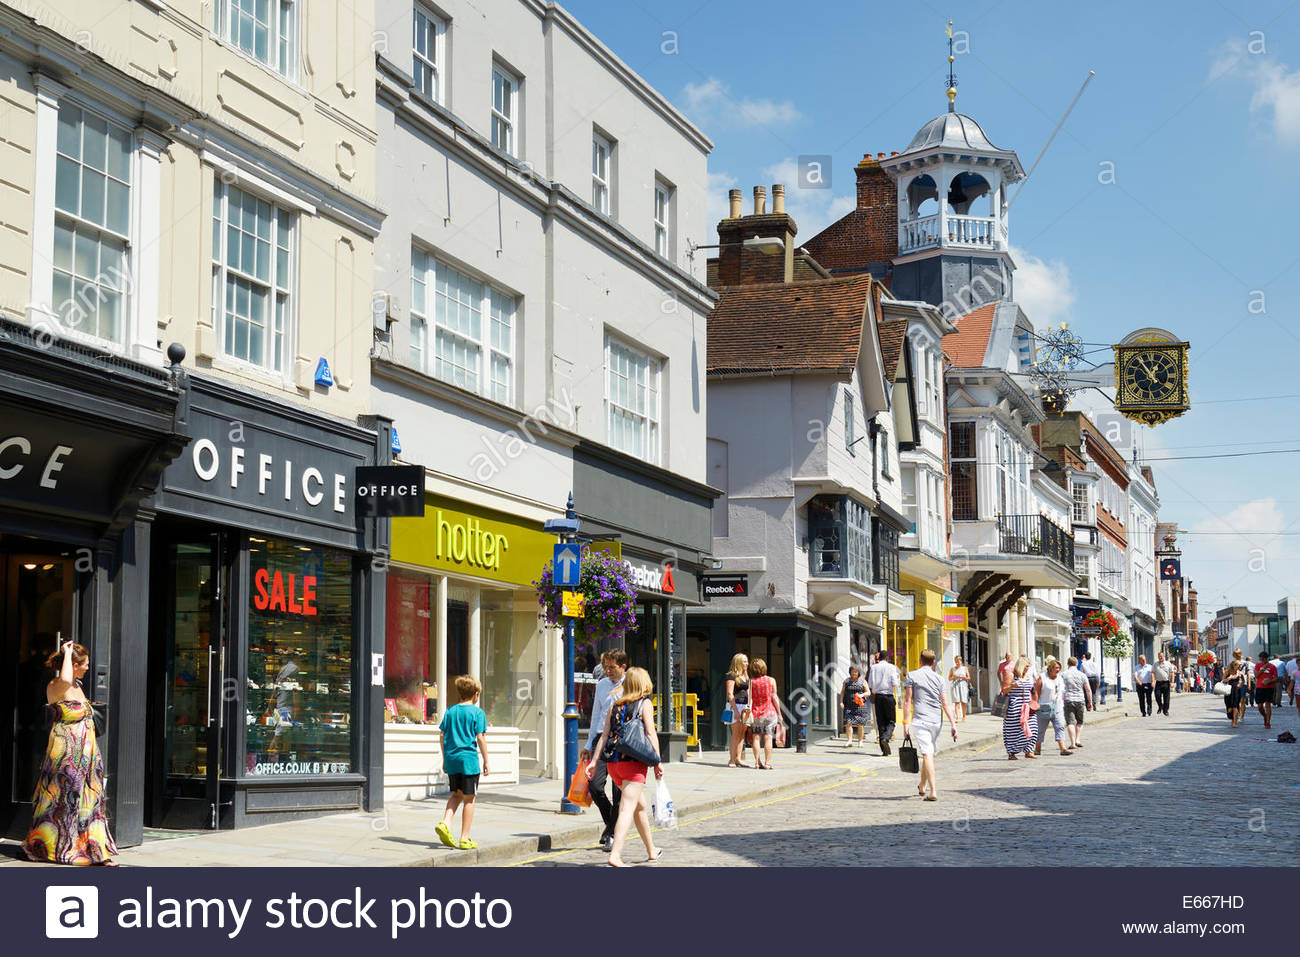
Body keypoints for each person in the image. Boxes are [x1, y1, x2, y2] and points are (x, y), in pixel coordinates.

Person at [24, 641, 117, 864]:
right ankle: (56, 847)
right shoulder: (58, 685)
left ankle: (95, 851)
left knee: (92, 801)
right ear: (73, 665)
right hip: (66, 754)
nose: (87, 668)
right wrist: (66, 652)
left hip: (87, 753)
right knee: (65, 800)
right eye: (84, 664)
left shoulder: (76, 685)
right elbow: (65, 679)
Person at [586, 666, 663, 866]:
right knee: (627, 809)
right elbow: (650, 734)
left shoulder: (616, 705)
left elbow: (603, 736)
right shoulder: (645, 704)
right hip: (633, 764)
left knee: (640, 807)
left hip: (614, 764)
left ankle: (651, 849)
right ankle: (615, 855)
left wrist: (594, 762)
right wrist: (657, 761)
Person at [435, 675, 490, 851]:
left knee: (456, 795)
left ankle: (445, 822)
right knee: (469, 799)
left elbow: (442, 736)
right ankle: (464, 838)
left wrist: (445, 758)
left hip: (452, 759)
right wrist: (487, 760)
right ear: (475, 694)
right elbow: (480, 738)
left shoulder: (450, 711)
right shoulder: (477, 713)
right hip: (468, 761)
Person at [580, 650, 626, 848]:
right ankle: (612, 826)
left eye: (612, 667)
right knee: (595, 786)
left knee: (619, 792)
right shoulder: (601, 685)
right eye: (606, 666)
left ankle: (612, 835)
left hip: (622, 741)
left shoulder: (631, 685)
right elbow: (596, 716)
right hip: (601, 738)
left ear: (623, 666)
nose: (607, 670)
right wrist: (589, 744)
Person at [902, 648, 958, 801]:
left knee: (927, 754)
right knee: (929, 753)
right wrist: (953, 723)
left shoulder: (912, 675)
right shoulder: (939, 679)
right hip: (936, 721)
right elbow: (945, 703)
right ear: (934, 662)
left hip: (920, 720)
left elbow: (908, 701)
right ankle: (922, 785)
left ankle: (933, 791)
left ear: (920, 661)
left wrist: (905, 723)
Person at [1000, 656, 1039, 760]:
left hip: (1028, 706)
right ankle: (1012, 752)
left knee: (1033, 728)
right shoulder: (1011, 675)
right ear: (1020, 666)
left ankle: (1028, 750)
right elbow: (1004, 690)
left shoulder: (1027, 676)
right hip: (1014, 707)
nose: (1027, 669)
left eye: (1028, 667)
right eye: (1026, 666)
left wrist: (1035, 701)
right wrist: (1013, 686)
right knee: (1014, 731)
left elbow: (1032, 690)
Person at [1033, 657, 1073, 756]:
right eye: (1056, 667)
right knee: (1040, 729)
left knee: (1060, 726)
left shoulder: (1060, 678)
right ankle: (1037, 749)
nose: (1058, 669)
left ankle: (1062, 748)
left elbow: (1061, 692)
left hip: (1057, 707)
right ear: (1050, 668)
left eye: (1059, 668)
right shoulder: (1042, 678)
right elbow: (1036, 692)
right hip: (1043, 707)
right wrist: (1035, 704)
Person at [748, 658, 780, 769]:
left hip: (756, 713)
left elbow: (750, 699)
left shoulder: (751, 682)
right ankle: (767, 763)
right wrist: (779, 713)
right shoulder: (771, 680)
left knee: (756, 738)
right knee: (768, 738)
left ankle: (757, 763)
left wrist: (748, 711)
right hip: (770, 713)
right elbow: (774, 697)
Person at [722, 652, 752, 768]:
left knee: (741, 734)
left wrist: (749, 706)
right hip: (735, 706)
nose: (747, 663)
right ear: (738, 662)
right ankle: (731, 759)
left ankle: (738, 758)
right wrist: (736, 711)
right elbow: (730, 694)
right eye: (744, 661)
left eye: (747, 661)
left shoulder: (746, 676)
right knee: (735, 734)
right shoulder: (731, 675)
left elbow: (749, 694)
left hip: (745, 707)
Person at [868, 650, 901, 756]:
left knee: (881, 722)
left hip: (877, 697)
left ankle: (884, 750)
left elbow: (870, 684)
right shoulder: (891, 667)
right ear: (887, 658)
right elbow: (895, 683)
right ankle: (886, 739)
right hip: (888, 696)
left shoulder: (873, 667)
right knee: (891, 721)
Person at [1060, 656, 1092, 750]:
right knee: (1080, 721)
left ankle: (1073, 743)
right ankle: (1078, 740)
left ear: (1067, 664)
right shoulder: (1082, 675)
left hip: (1068, 699)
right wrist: (1090, 702)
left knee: (1070, 722)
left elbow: (1060, 689)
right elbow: (1088, 690)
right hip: (1080, 700)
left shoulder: (1063, 674)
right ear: (1077, 664)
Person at [841, 665, 871, 747]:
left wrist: (861, 695)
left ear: (858, 673)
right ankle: (849, 741)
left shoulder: (863, 681)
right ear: (850, 672)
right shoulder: (846, 681)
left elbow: (868, 692)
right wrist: (841, 702)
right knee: (848, 723)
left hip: (860, 706)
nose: (854, 673)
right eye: (852, 671)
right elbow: (842, 692)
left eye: (856, 671)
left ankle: (860, 741)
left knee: (860, 724)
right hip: (849, 705)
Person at [1253, 652, 1278, 730]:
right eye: (1260, 659)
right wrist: (1263, 668)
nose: (1261, 660)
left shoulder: (1273, 666)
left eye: (1263, 659)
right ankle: (1265, 716)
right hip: (1260, 687)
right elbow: (1256, 676)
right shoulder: (1258, 665)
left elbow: (1276, 678)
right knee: (1260, 706)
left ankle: (1268, 722)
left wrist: (1270, 681)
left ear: (1266, 658)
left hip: (1269, 687)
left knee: (1268, 705)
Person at [948, 655, 971, 724]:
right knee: (956, 702)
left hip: (963, 685)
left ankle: (964, 716)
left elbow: (968, 677)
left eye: (959, 661)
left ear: (961, 661)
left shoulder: (965, 668)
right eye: (956, 661)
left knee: (963, 702)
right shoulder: (952, 669)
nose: (957, 663)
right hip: (955, 686)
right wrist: (953, 677)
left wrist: (961, 677)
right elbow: (949, 678)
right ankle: (957, 717)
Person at [1223, 660, 1246, 728]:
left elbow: (1243, 681)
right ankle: (1231, 716)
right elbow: (1223, 680)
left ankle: (1234, 722)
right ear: (1234, 665)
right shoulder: (1227, 672)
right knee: (1229, 707)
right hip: (1228, 690)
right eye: (1239, 665)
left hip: (1236, 690)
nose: (1240, 666)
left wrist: (1240, 684)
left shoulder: (1240, 673)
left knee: (1235, 706)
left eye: (1240, 665)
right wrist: (1229, 678)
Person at [1152, 652, 1174, 716]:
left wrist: (1172, 682)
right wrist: (1153, 681)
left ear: (1164, 656)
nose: (1160, 657)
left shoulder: (1168, 664)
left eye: (1161, 656)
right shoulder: (1155, 664)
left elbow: (1172, 673)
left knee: (1166, 698)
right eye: (1159, 656)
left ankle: (1165, 710)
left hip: (1166, 682)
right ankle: (1160, 706)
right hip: (1158, 682)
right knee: (1157, 696)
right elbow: (1153, 673)